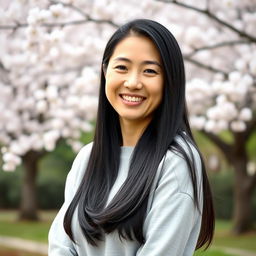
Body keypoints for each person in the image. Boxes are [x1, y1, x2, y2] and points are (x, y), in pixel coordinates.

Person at [48, 19, 215, 256]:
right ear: (105, 71)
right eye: (122, 67)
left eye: (149, 71)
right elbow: (62, 246)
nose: (133, 82)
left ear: (170, 81)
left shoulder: (175, 163)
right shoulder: (87, 158)